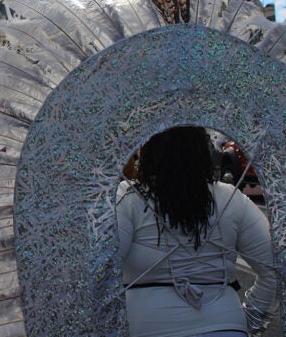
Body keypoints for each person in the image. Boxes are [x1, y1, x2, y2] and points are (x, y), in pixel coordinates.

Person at [116, 126, 277, 337]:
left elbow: (99, 273)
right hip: (226, 326)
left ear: (150, 152)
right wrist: (249, 323)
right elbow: (275, 270)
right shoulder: (231, 198)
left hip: (146, 326)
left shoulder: (129, 199)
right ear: (204, 152)